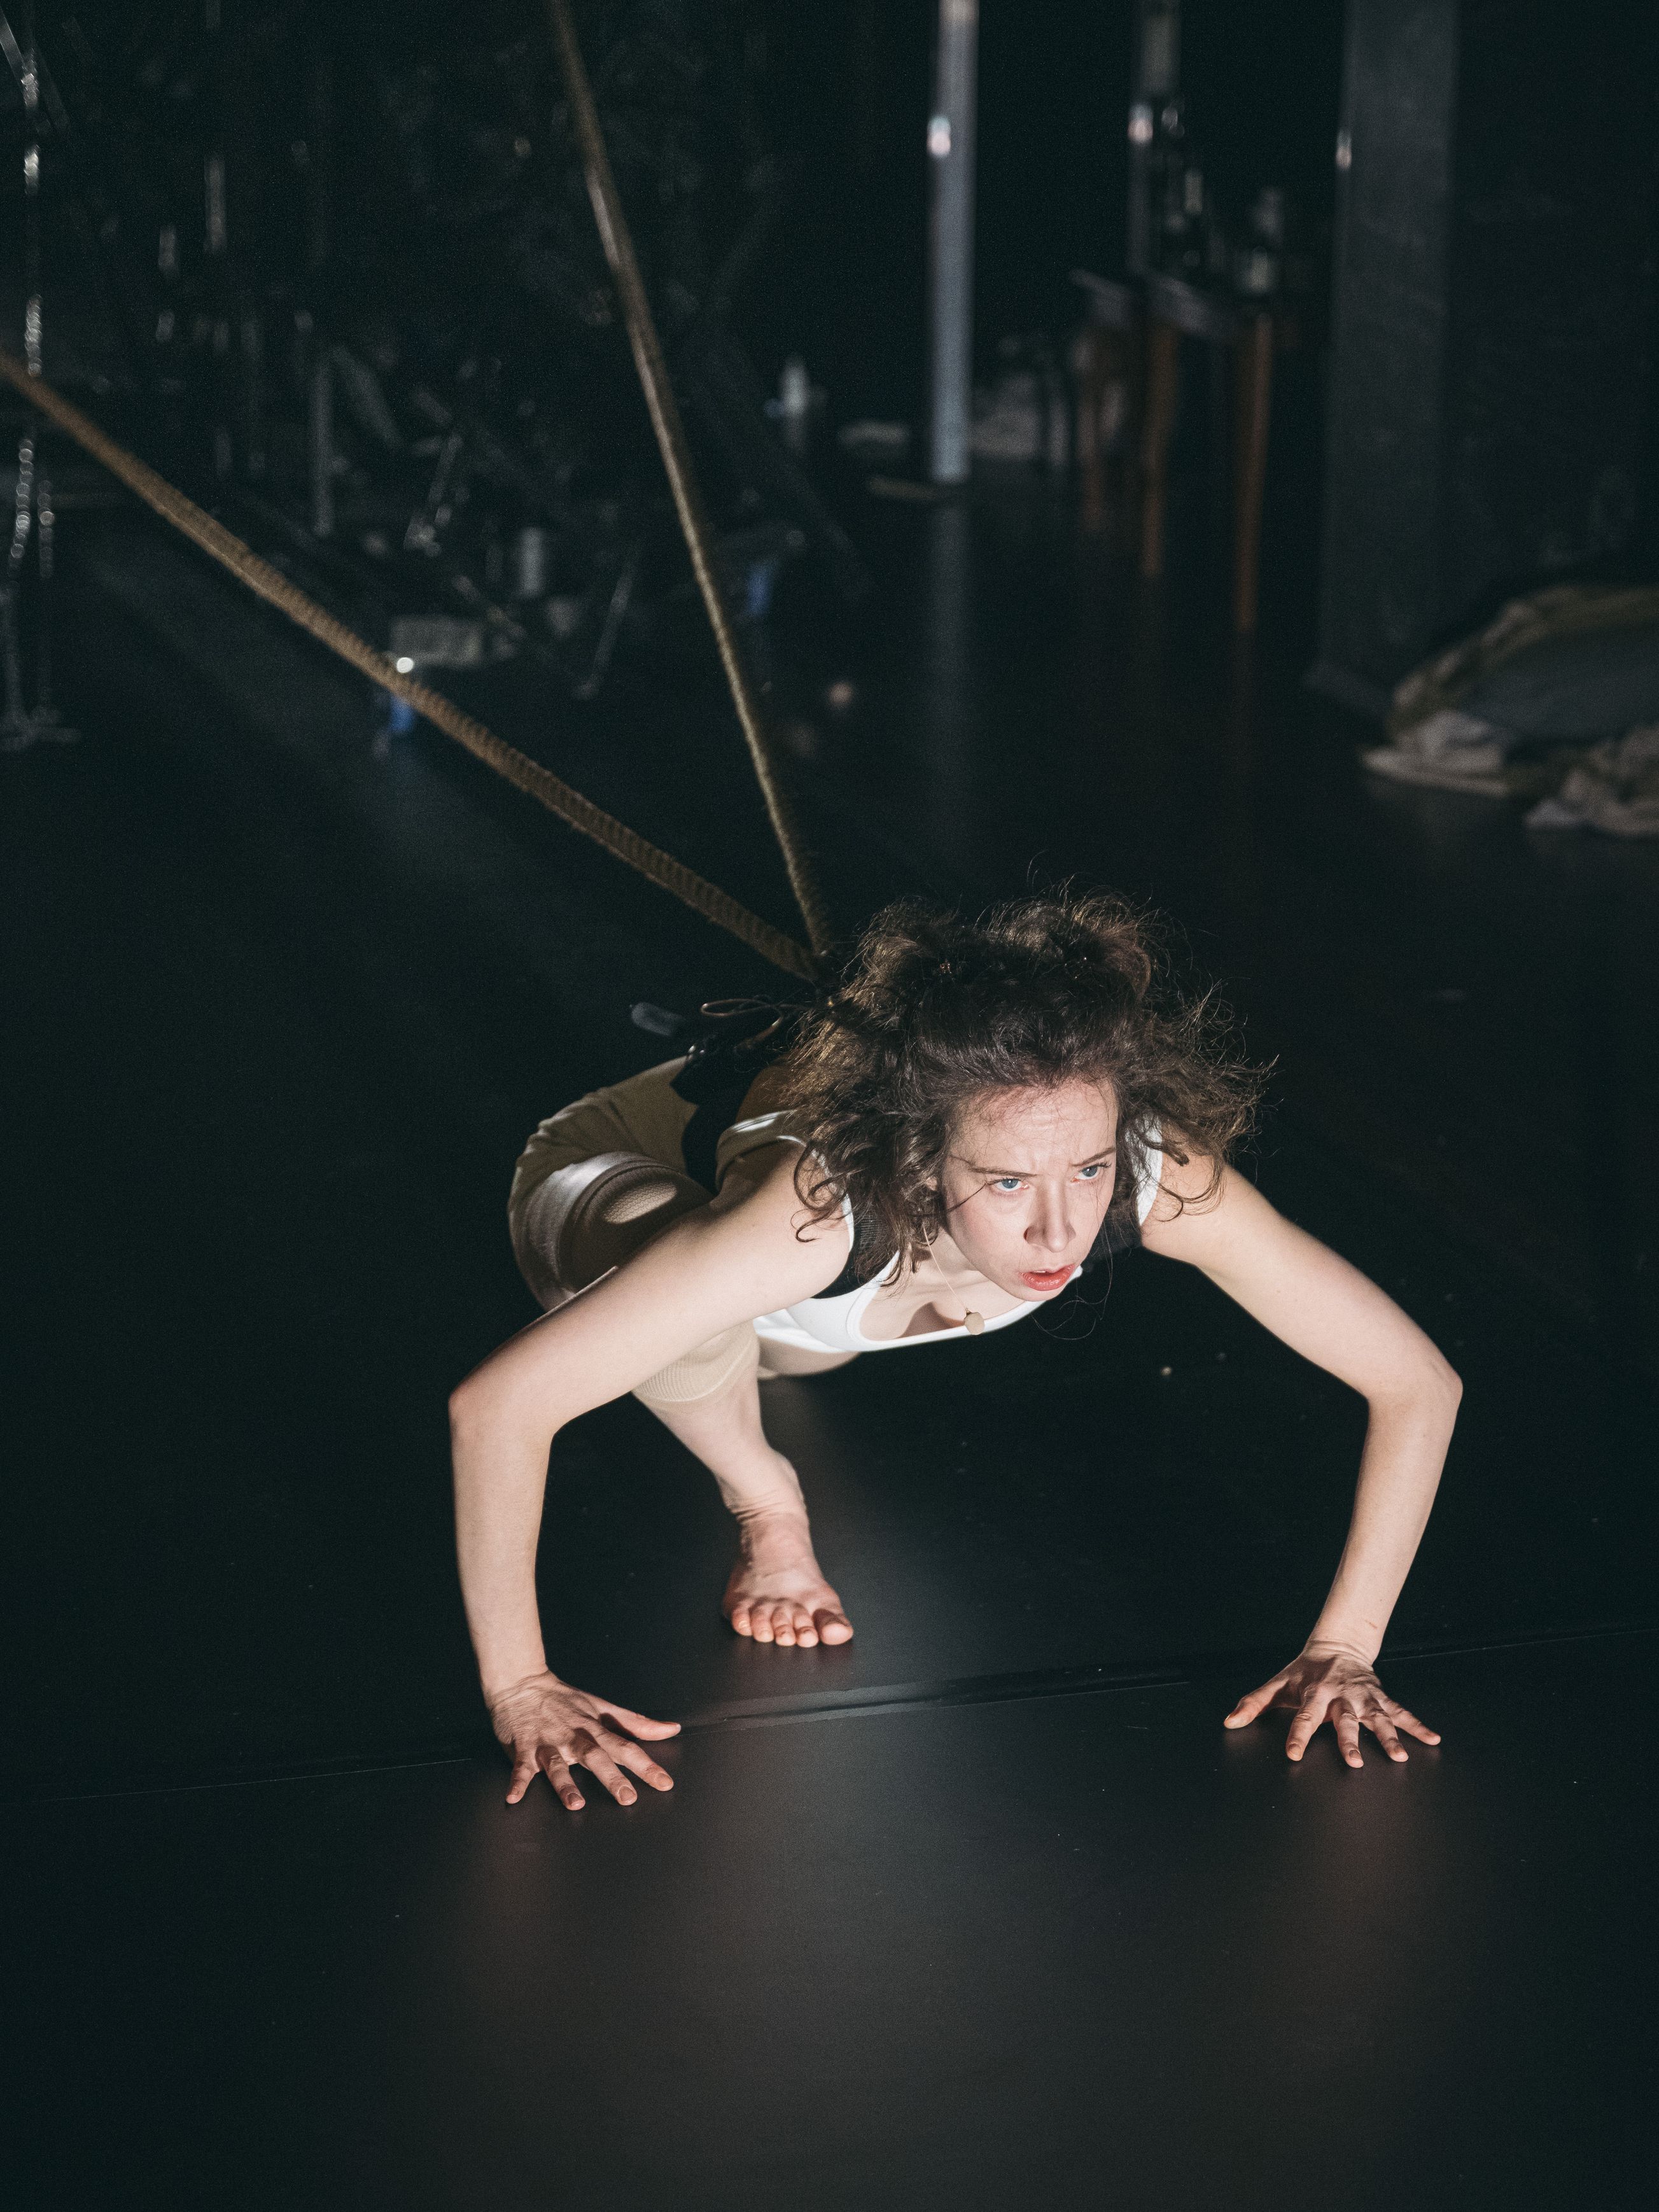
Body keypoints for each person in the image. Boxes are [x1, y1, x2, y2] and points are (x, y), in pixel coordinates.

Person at [450, 893, 1457, 1811]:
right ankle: (764, 1495)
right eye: (1008, 1183)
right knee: (671, 1259)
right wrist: (521, 1686)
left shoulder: (1153, 1172)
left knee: (755, 1330)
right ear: (919, 1160)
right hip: (607, 1182)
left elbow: (1417, 1381)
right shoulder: (809, 1217)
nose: (1062, 1231)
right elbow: (498, 1408)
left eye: (1088, 1170)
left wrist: (1347, 1647)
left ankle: (720, 1335)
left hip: (805, 1316)